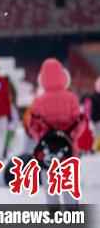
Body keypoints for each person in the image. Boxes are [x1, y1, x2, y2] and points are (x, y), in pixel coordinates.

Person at [28, 58, 87, 206]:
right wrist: (71, 137)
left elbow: (33, 126)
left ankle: (53, 211)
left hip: (48, 150)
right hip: (68, 150)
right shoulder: (71, 98)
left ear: (42, 78)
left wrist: (42, 137)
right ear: (63, 76)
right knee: (69, 181)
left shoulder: (39, 101)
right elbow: (81, 122)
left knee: (50, 181)